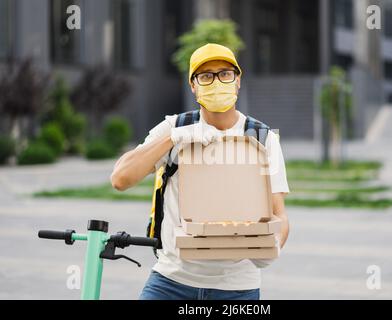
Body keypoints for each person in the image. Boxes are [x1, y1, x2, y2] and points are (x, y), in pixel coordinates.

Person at [110, 43, 290, 300]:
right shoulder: (176, 126)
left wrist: (272, 246)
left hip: (237, 288)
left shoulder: (261, 137)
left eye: (225, 74)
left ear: (238, 80)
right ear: (193, 85)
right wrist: (172, 139)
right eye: (206, 76)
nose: (217, 82)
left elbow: (279, 213)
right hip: (170, 280)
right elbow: (120, 179)